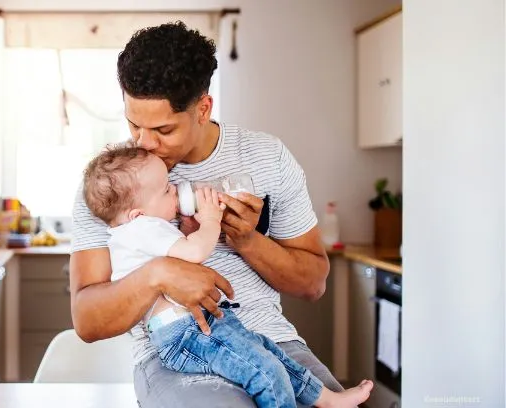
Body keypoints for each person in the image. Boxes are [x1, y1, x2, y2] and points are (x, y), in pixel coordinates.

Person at [70, 22, 349, 407]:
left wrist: (247, 240)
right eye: (134, 124)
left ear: (203, 109)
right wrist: (159, 273)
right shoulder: (113, 183)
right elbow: (87, 320)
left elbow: (313, 284)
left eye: (163, 129)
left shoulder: (267, 158)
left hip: (271, 341)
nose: (144, 143)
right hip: (177, 350)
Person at [81, 146, 372, 408]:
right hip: (186, 334)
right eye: (167, 190)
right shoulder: (142, 228)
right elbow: (194, 252)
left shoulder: (139, 231)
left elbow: (179, 257)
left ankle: (326, 398)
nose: (177, 191)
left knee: (270, 354)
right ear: (137, 214)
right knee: (266, 371)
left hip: (200, 327)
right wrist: (210, 220)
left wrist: (189, 231)